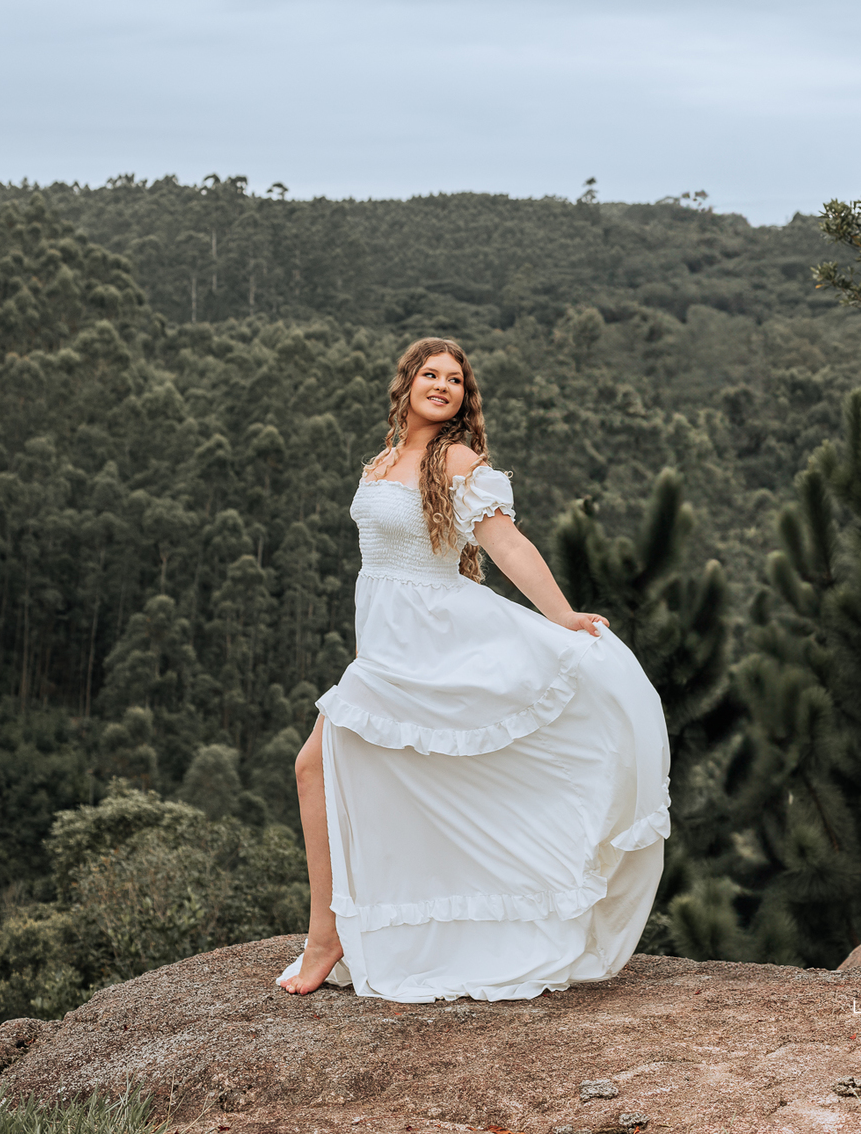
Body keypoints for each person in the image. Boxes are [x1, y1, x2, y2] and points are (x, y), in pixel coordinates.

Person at [276, 336, 670, 1003]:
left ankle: (327, 937)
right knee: (322, 769)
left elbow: (506, 545)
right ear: (406, 384)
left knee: (317, 766)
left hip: (438, 637)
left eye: (454, 379)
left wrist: (564, 616)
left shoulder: (455, 459)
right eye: (429, 374)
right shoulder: (381, 461)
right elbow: (377, 575)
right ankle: (336, 931)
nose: (442, 385)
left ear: (464, 396)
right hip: (385, 648)